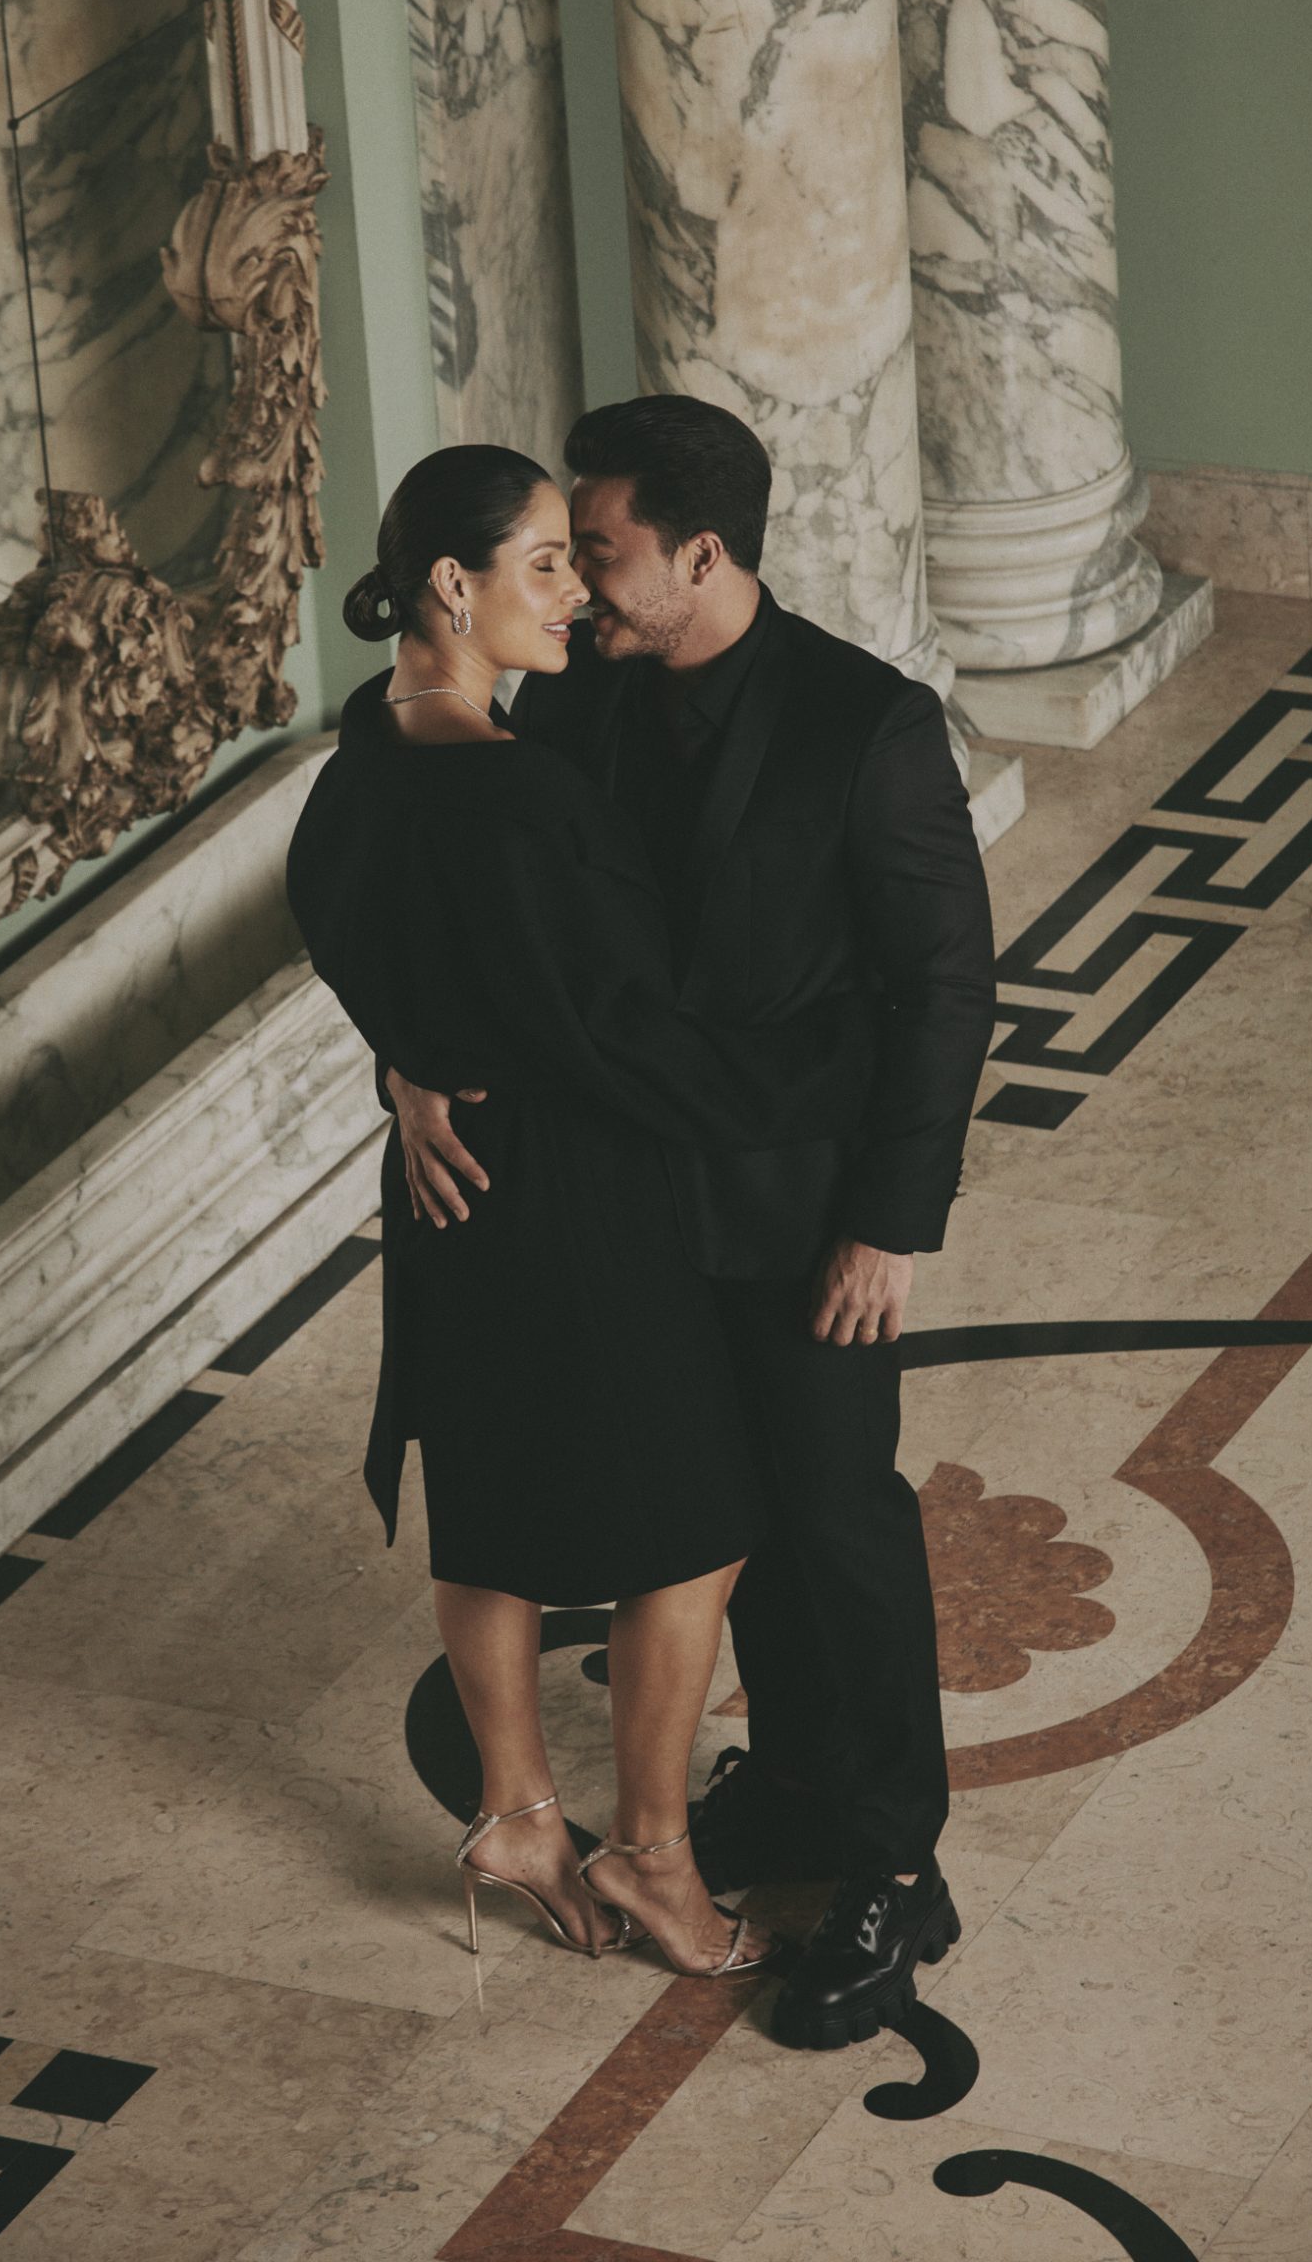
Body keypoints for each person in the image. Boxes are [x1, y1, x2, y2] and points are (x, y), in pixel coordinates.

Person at [385, 396, 996, 2050]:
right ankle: (789, 1783)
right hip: (618, 1209)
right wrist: (408, 1062)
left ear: (703, 553)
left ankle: (894, 1865)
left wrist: (886, 1225)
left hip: (797, 1211)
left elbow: (945, 989)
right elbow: (481, 908)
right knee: (711, 1517)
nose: (574, 583)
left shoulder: (866, 726)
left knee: (834, 1517)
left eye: (598, 551)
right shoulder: (571, 694)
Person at [285, 442, 879, 1981]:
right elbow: (623, 1036)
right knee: (702, 1524)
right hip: (574, 1190)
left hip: (445, 1186)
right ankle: (655, 1859)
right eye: (544, 564)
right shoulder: (521, 793)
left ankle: (518, 1818)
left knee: (486, 1500)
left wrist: (411, 1063)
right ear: (452, 583)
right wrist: (819, 1076)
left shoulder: (359, 757)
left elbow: (343, 933)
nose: (570, 593)